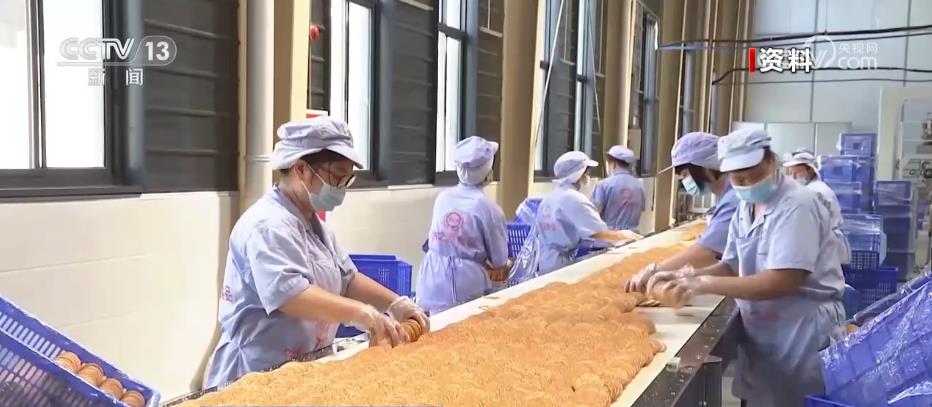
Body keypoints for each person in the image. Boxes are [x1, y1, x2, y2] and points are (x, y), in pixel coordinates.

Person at [206, 117, 429, 387]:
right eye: (337, 176)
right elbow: (290, 295)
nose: (341, 187)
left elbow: (348, 279)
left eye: (347, 179)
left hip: (301, 369)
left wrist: (396, 304)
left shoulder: (313, 225)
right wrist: (361, 313)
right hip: (256, 372)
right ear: (301, 169)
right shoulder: (267, 225)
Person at [644, 128, 846, 407]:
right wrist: (685, 275)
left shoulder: (798, 205)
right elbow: (731, 266)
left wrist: (701, 284)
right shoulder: (745, 206)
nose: (748, 182)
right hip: (764, 333)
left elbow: (784, 280)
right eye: (739, 179)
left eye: (754, 173)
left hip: (800, 333)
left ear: (771, 161)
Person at [625, 132, 739, 292]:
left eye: (686, 174)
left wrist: (655, 271)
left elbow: (706, 252)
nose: (684, 181)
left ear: (705, 166)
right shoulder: (725, 197)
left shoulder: (734, 200)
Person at [416, 136, 509, 315]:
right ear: (487, 171)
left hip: (431, 281)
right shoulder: (489, 210)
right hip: (464, 285)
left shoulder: (443, 198)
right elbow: (499, 261)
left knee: (436, 327)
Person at [536, 151, 641, 274]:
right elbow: (597, 233)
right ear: (579, 174)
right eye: (587, 172)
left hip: (544, 259)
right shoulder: (574, 199)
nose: (588, 176)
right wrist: (624, 236)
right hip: (559, 263)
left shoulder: (549, 198)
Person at [784, 148, 850, 263]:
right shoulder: (812, 189)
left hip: (827, 248)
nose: (793, 178)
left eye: (797, 173)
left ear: (809, 171)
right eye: (791, 173)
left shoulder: (815, 192)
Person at [591, 146, 646, 232]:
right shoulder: (639, 185)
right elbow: (641, 210)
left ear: (614, 164)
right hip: (633, 235)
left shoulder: (603, 185)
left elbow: (593, 213)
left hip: (610, 235)